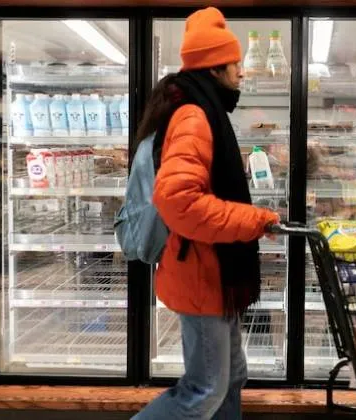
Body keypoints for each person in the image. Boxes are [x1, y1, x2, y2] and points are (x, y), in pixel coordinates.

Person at [132, 7, 279, 420]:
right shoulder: (194, 115)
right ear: (215, 67)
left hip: (213, 273)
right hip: (201, 273)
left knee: (231, 378)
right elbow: (179, 200)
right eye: (235, 63)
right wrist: (254, 220)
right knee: (204, 389)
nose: (241, 72)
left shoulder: (201, 109)